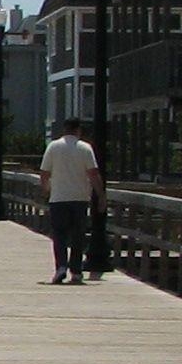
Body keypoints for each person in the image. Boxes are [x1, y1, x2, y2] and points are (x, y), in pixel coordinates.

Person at [39, 118, 104, 285]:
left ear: (64, 129)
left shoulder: (53, 147)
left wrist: (46, 190)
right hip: (80, 198)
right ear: (78, 130)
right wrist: (101, 196)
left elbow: (44, 173)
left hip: (58, 197)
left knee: (59, 234)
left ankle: (61, 267)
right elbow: (93, 174)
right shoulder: (85, 148)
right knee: (78, 236)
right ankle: (76, 271)